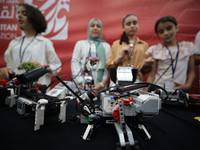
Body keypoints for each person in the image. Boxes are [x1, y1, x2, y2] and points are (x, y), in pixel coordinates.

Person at [0, 3, 61, 86]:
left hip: (36, 89)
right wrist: (6, 71)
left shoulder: (44, 42)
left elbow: (57, 65)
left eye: (24, 13)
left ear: (34, 17)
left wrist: (43, 68)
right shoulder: (14, 43)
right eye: (18, 13)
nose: (19, 16)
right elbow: (10, 65)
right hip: (15, 87)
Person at [146, 15, 196, 91]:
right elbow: (152, 75)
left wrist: (187, 85)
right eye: (161, 31)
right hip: (159, 88)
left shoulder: (187, 47)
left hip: (179, 89)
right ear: (158, 35)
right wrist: (145, 93)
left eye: (169, 28)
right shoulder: (156, 50)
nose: (165, 33)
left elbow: (191, 71)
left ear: (177, 27)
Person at [106, 14, 153, 84]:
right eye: (128, 24)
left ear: (138, 26)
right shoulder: (116, 44)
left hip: (136, 80)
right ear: (123, 27)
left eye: (135, 23)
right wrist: (121, 57)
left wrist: (146, 64)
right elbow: (108, 66)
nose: (132, 26)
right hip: (117, 80)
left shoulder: (144, 45)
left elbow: (146, 71)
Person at [71, 18, 110, 91]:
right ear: (88, 29)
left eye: (98, 26)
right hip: (82, 87)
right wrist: (81, 82)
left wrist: (102, 83)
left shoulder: (106, 46)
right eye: (92, 25)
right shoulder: (80, 44)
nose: (95, 28)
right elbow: (75, 63)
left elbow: (108, 66)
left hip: (100, 88)